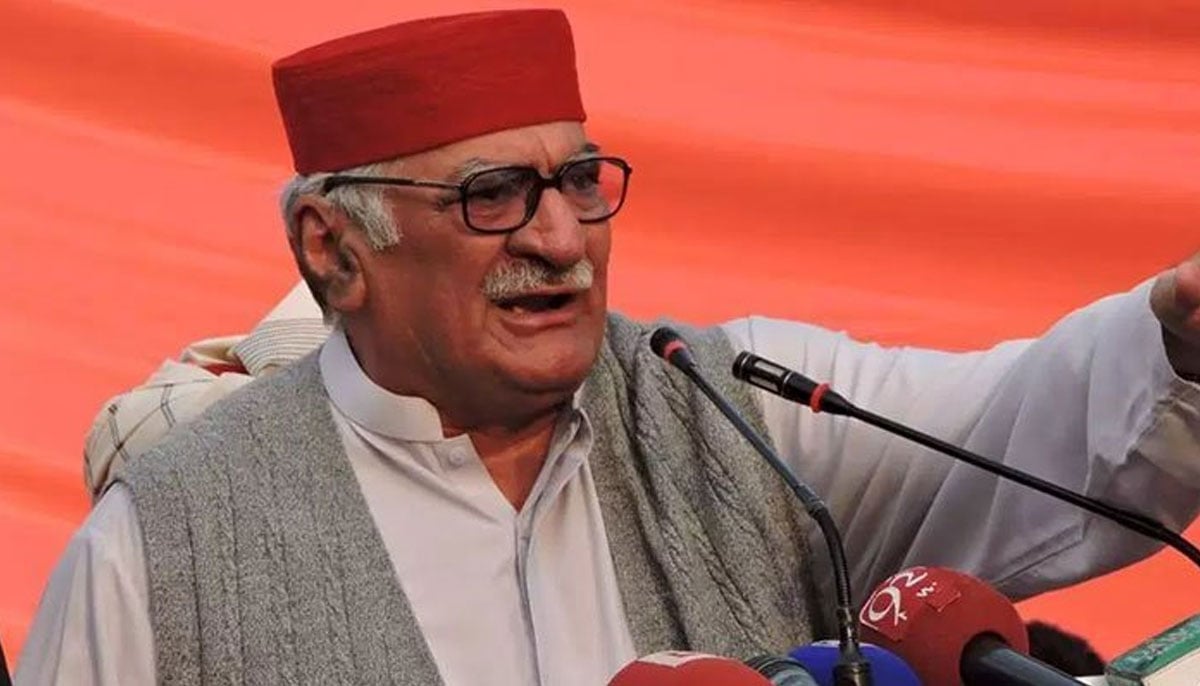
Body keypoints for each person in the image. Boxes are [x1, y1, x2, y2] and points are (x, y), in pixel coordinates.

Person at [16, 8, 1200, 686]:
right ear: (333, 249)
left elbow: (1022, 423)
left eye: (580, 180)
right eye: (493, 194)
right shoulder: (163, 548)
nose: (561, 237)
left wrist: (1176, 336)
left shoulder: (737, 406)